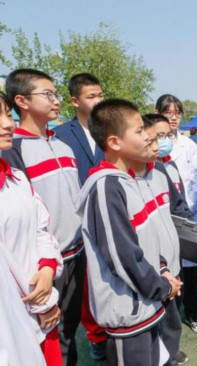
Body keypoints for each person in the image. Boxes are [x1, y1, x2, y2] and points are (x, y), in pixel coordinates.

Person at [76, 99, 182, 365]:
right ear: (114, 142)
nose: (147, 136)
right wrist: (162, 286)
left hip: (150, 302)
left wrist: (162, 270)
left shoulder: (131, 180)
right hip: (130, 312)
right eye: (138, 131)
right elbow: (122, 256)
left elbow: (146, 240)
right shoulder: (106, 186)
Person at [3, 68, 84, 366]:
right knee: (45, 335)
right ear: (21, 101)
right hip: (42, 267)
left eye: (56, 94)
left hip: (76, 253)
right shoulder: (15, 149)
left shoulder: (63, 144)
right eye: (47, 94)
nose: (56, 100)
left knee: (69, 329)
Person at [0, 91, 63, 365]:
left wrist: (48, 268)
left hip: (40, 311)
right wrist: (41, 303)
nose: (8, 124)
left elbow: (41, 230)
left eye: (6, 114)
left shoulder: (16, 179)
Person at [54, 72, 108, 360]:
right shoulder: (61, 136)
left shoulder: (111, 130)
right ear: (75, 101)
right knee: (85, 286)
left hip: (109, 219)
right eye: (91, 96)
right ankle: (95, 336)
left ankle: (109, 330)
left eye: (100, 94)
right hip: (77, 224)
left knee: (109, 280)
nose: (98, 100)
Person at [139, 115, 193, 365]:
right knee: (153, 310)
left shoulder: (163, 169)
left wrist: (185, 230)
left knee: (173, 309)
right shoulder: (128, 177)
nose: (162, 142)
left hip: (172, 255)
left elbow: (180, 206)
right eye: (156, 137)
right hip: (149, 261)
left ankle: (170, 351)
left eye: (166, 136)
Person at [156, 94, 197, 334]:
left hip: (187, 216)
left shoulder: (189, 145)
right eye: (168, 112)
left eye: (177, 113)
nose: (173, 117)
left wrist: (195, 209)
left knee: (190, 268)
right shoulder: (152, 146)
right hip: (162, 219)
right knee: (168, 269)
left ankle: (193, 313)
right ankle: (170, 320)